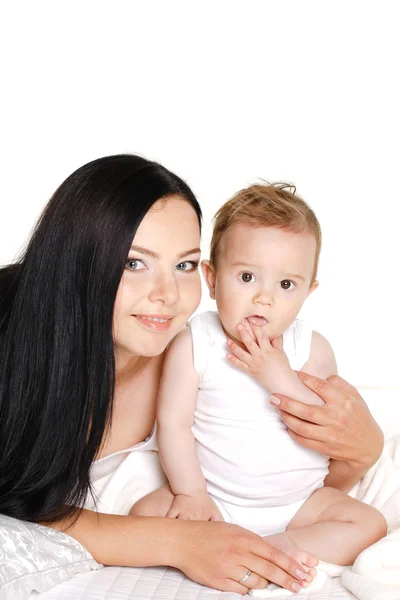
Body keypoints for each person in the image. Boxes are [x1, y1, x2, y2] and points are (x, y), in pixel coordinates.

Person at [0, 158, 384, 596]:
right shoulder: (25, 348)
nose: (167, 295)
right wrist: (183, 540)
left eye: (183, 265)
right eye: (133, 263)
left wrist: (364, 447)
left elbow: (310, 464)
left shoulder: (185, 351)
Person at [132, 183, 387, 590]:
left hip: (298, 504)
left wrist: (277, 374)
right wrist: (192, 494)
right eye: (248, 276)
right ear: (212, 280)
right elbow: (173, 424)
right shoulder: (196, 341)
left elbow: (322, 427)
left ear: (307, 292)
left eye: (286, 285)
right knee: (144, 514)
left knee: (368, 523)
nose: (264, 299)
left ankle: (271, 548)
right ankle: (219, 542)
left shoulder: (311, 348)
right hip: (214, 497)